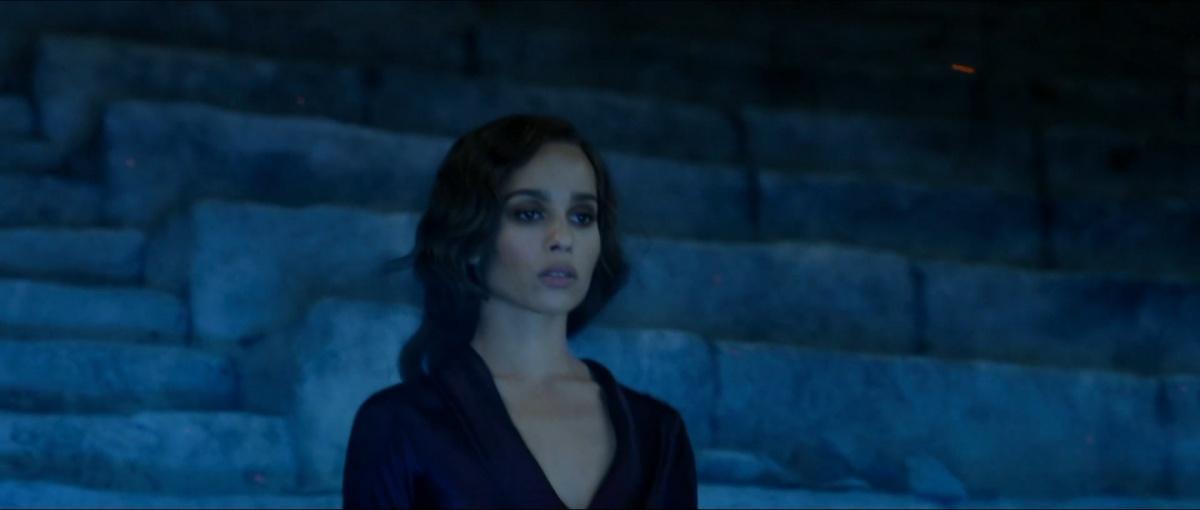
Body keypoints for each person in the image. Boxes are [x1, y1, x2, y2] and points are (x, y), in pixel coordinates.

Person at [341, 114, 698, 509]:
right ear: (472, 235)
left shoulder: (658, 431)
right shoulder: (399, 424)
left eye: (582, 216)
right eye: (529, 213)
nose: (563, 238)